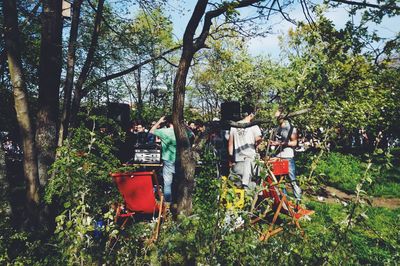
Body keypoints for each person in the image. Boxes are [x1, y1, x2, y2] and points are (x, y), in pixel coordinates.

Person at [269, 107, 302, 206]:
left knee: (292, 180)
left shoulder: (290, 128)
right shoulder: (277, 128)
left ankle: (298, 201)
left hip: (288, 156)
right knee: (279, 181)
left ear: (283, 116)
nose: (276, 118)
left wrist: (281, 143)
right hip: (278, 156)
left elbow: (295, 142)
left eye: (277, 116)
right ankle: (285, 201)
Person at [228, 104, 262, 188]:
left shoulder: (234, 126)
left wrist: (231, 159)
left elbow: (230, 145)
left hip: (238, 160)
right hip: (251, 160)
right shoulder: (254, 126)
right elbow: (259, 143)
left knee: (237, 187)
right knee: (249, 186)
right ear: (251, 114)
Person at [150, 115, 176, 203]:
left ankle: (168, 203)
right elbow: (192, 135)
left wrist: (160, 121)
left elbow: (152, 131)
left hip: (168, 159)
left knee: (167, 183)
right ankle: (178, 201)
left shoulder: (164, 131)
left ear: (168, 123)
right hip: (179, 159)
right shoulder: (181, 132)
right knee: (179, 182)